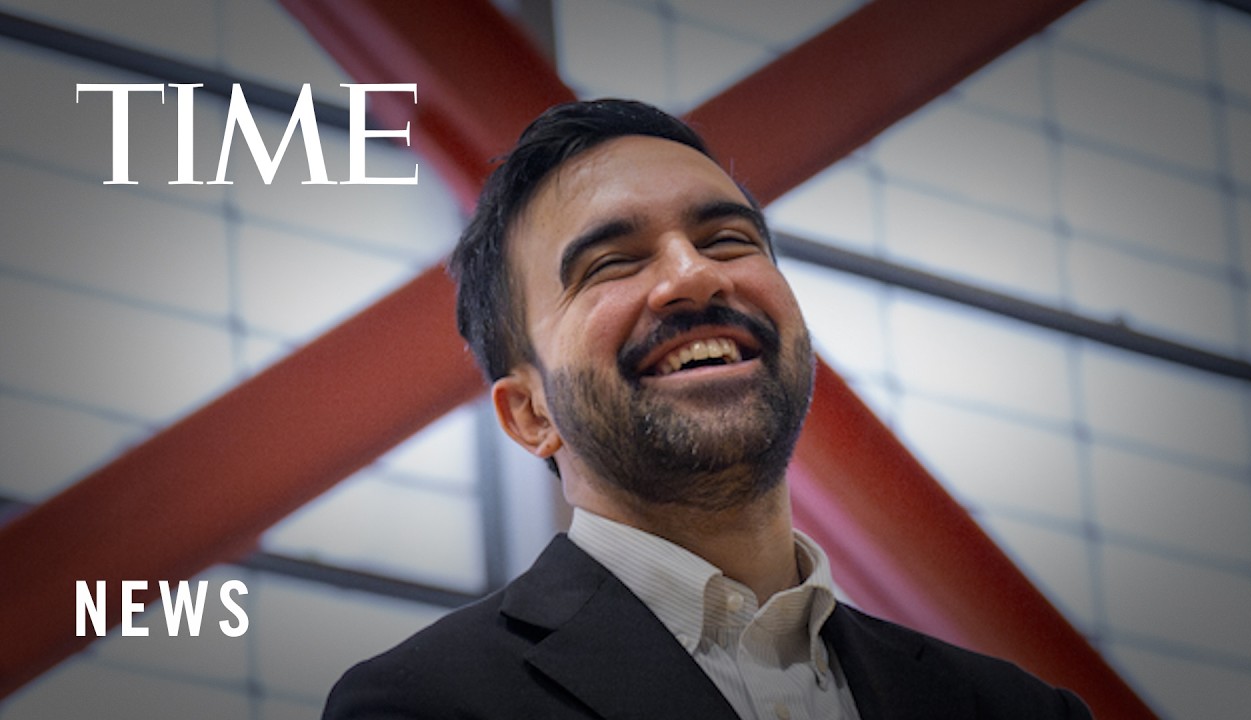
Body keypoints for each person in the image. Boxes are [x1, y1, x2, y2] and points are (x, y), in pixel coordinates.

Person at [322, 99, 1092, 719]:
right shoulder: (424, 705)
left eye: (727, 239)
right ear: (530, 415)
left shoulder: (1017, 710)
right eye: (613, 263)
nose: (693, 277)